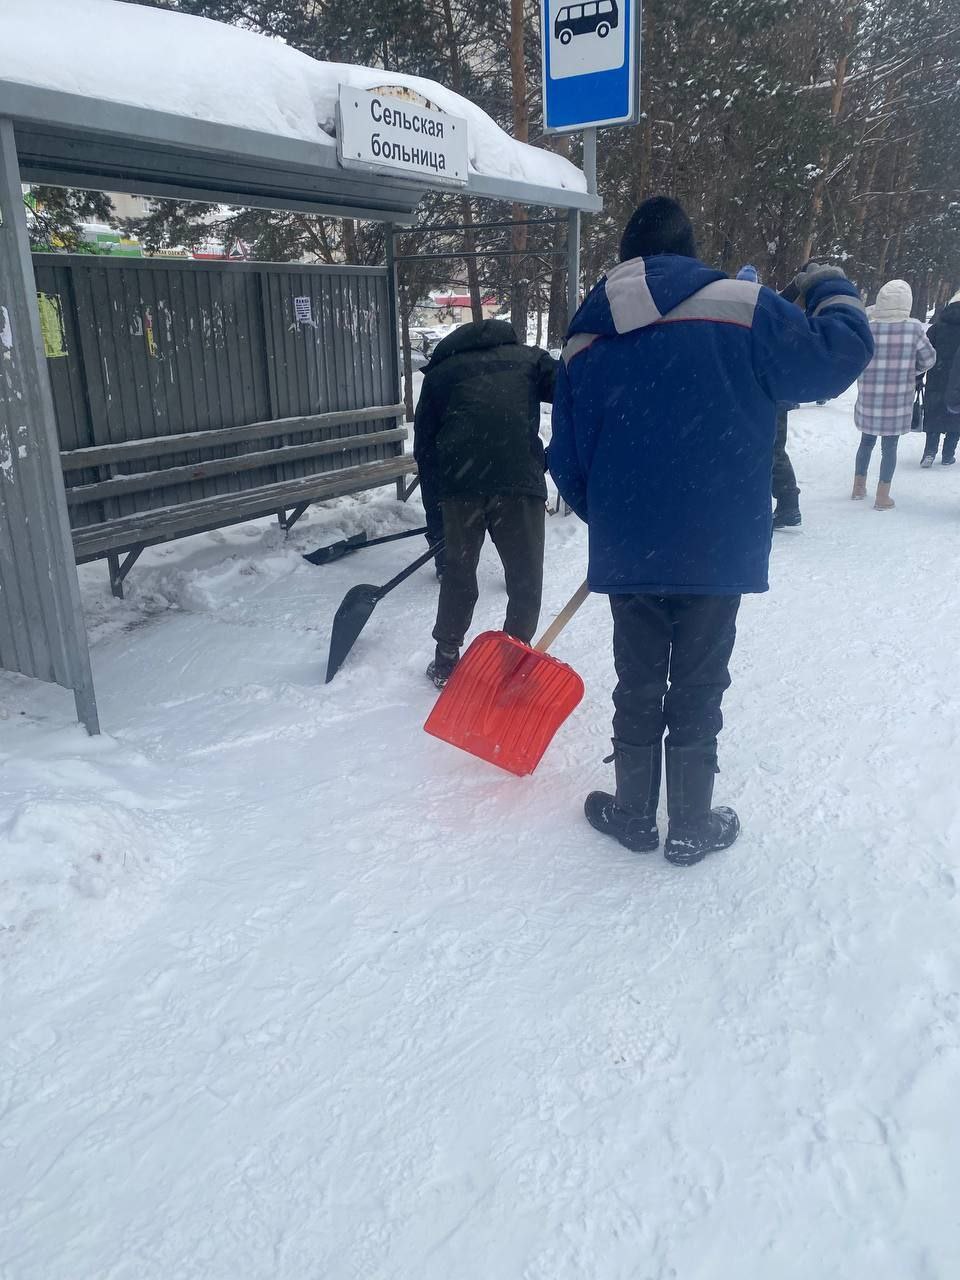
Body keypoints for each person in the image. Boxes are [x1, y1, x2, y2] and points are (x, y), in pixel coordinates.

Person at [549, 196, 873, 867]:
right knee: (698, 684)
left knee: (637, 683)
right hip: (716, 548)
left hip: (631, 548)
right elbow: (841, 352)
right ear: (688, 252)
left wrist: (616, 519)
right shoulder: (741, 307)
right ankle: (691, 824)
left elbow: (568, 459)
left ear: (626, 258)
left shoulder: (588, 328)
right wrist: (828, 284)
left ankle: (635, 813)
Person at [413, 319, 556, 688]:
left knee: (459, 575)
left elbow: (425, 452)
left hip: (462, 487)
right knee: (525, 579)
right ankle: (514, 663)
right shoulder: (530, 359)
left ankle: (446, 659)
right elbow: (573, 393)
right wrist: (557, 458)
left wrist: (436, 519)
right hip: (519, 482)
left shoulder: (441, 373)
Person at [852, 280, 936, 508]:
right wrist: (913, 370)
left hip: (869, 397)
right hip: (897, 401)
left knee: (866, 442)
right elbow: (929, 359)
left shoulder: (868, 327)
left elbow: (857, 358)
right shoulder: (913, 328)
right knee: (889, 448)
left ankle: (858, 488)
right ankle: (882, 496)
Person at [738, 267, 802, 528]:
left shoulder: (760, 313)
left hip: (769, 395)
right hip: (768, 394)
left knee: (771, 450)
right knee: (766, 450)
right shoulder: (767, 311)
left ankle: (788, 505)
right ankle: (780, 504)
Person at [921, 289, 960, 467]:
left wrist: (918, 376)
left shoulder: (938, 326)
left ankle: (929, 452)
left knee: (934, 411)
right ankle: (947, 455)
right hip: (958, 380)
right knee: (956, 414)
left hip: (937, 375)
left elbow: (924, 352)